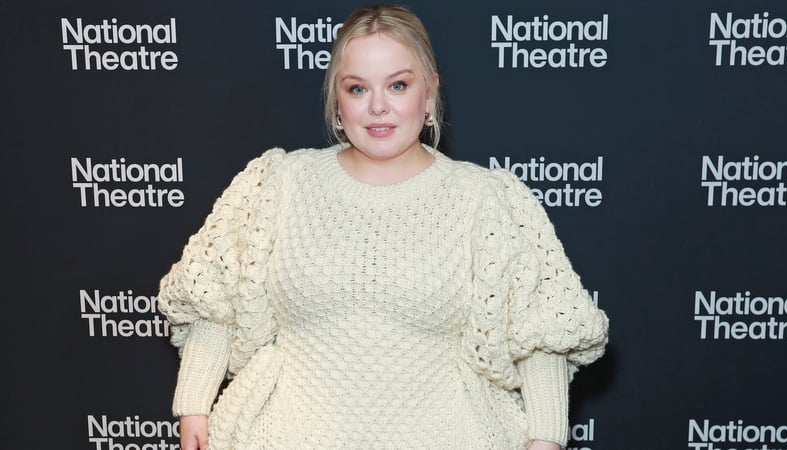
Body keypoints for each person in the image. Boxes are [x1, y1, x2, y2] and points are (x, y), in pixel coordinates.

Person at [158, 4, 609, 450]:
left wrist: (546, 436)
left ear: (429, 93)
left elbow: (541, 327)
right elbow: (216, 300)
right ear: (337, 98)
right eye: (357, 89)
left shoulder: (484, 199)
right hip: (283, 434)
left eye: (397, 85)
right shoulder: (277, 185)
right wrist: (194, 403)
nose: (377, 107)